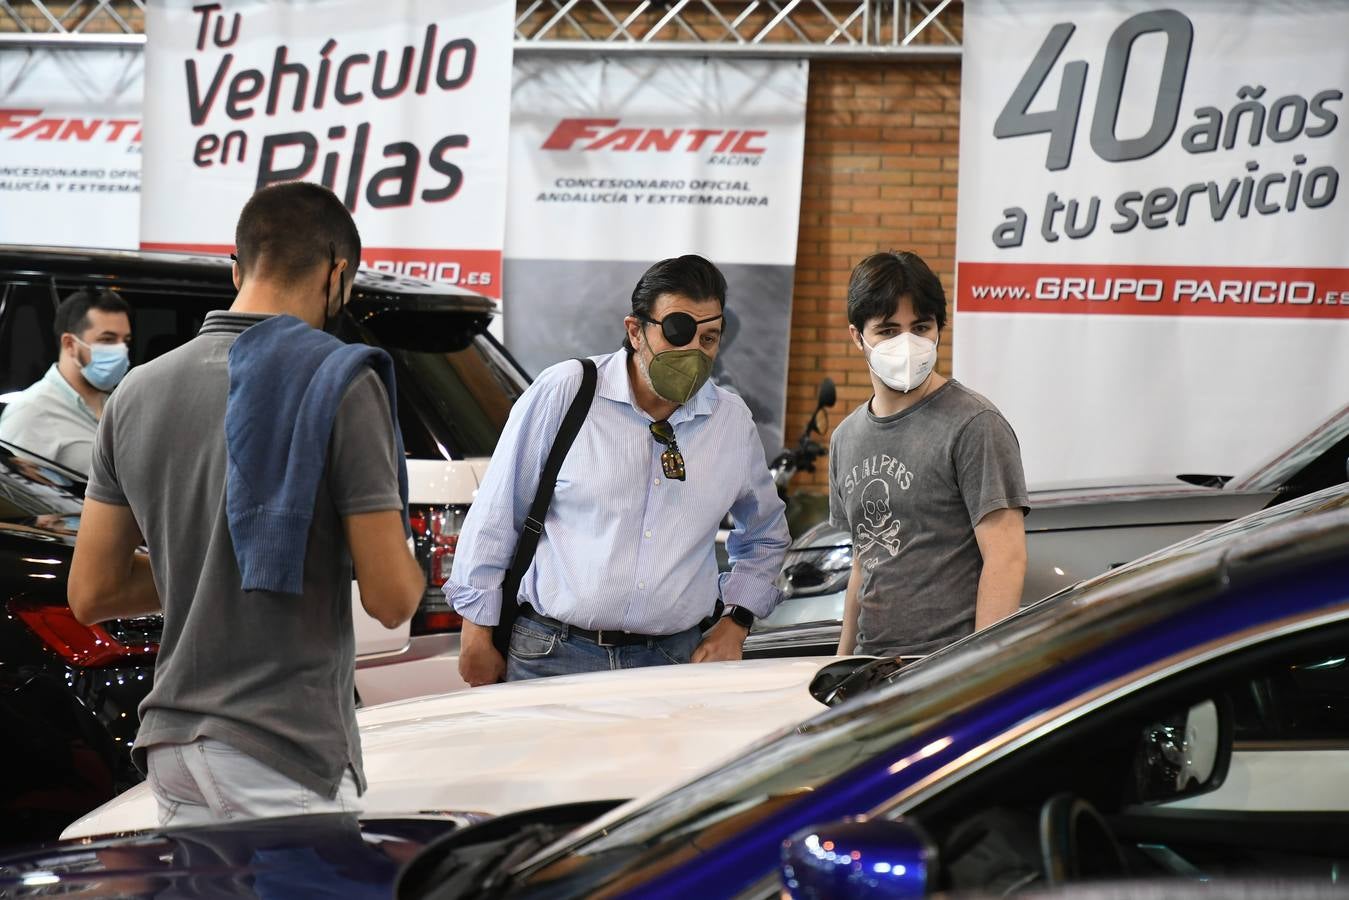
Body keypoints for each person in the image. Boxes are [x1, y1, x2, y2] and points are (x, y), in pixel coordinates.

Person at [68, 182, 424, 826]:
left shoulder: (134, 392)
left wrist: (201, 571)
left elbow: (91, 592)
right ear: (339, 273)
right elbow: (392, 598)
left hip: (173, 746)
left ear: (237, 268)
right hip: (280, 748)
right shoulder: (340, 379)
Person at [449, 254, 790, 685]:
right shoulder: (567, 392)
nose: (693, 353)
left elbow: (765, 534)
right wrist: (476, 632)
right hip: (552, 656)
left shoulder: (730, 422)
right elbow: (498, 516)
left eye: (709, 339)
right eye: (678, 333)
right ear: (635, 331)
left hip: (672, 662)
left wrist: (736, 622)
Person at [830, 251, 1028, 658]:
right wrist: (842, 661)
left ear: (939, 329)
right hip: (871, 671)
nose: (907, 344)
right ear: (857, 337)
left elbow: (1006, 557)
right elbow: (862, 563)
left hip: (945, 669)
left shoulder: (975, 424)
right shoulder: (845, 438)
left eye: (920, 327)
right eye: (887, 330)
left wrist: (979, 671)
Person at [0, 288, 132, 474]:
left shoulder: (121, 404)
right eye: (107, 340)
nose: (121, 351)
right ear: (70, 344)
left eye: (125, 341)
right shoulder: (30, 412)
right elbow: (11, 494)